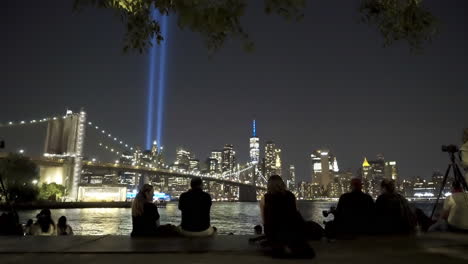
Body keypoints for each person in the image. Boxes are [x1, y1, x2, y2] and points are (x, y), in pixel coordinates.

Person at [260, 175, 315, 258]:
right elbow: (296, 214)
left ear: (268, 185)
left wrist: (269, 235)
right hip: (294, 230)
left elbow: (265, 221)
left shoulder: (264, 198)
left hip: (275, 232)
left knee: (274, 243)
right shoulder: (291, 196)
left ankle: (280, 246)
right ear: (282, 184)